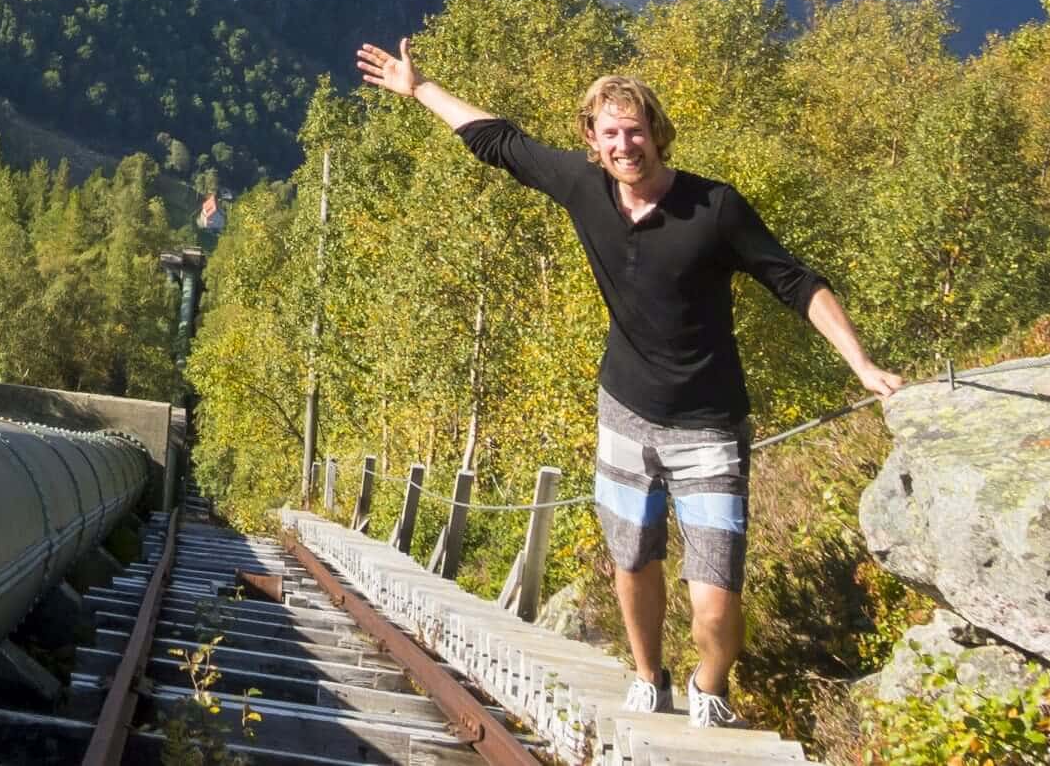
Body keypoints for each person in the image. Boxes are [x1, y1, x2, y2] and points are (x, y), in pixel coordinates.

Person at [352, 37, 903, 729]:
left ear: (656, 132)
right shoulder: (585, 187)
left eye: (634, 130)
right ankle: (649, 676)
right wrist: (419, 86)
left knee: (714, 601)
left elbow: (794, 280)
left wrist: (859, 361)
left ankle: (710, 679)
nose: (624, 144)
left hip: (708, 425)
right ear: (591, 137)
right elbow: (499, 141)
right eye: (609, 132)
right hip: (624, 414)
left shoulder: (715, 208)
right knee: (632, 561)